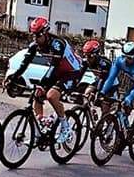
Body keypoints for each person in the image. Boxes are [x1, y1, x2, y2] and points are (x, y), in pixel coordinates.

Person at [8, 16, 82, 144]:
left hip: (72, 72)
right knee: (37, 95)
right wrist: (13, 78)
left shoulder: (57, 44)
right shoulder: (35, 45)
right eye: (33, 36)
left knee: (52, 96)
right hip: (58, 72)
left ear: (45, 33)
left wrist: (42, 85)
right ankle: (40, 130)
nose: (35, 39)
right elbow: (24, 64)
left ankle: (65, 128)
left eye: (37, 36)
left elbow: (54, 66)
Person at [100, 41, 134, 119]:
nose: (126, 59)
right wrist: (103, 91)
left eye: (129, 58)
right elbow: (111, 78)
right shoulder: (119, 61)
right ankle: (125, 122)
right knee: (124, 104)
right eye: (124, 56)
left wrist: (130, 98)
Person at [79, 40, 115, 109]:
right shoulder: (86, 61)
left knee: (104, 106)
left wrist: (97, 93)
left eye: (89, 56)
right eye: (85, 55)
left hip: (111, 84)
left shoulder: (104, 63)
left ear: (96, 55)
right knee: (86, 94)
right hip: (98, 81)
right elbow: (79, 75)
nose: (87, 58)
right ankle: (88, 111)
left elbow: (103, 79)